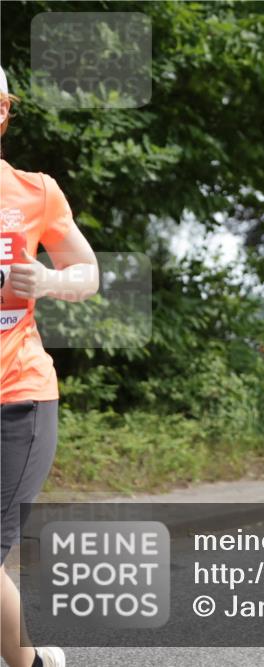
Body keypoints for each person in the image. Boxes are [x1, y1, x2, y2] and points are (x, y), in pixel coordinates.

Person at [1, 65, 100, 667]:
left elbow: (88, 272)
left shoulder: (35, 191)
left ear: (3, 112)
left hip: (18, 399)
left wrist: (49, 279)